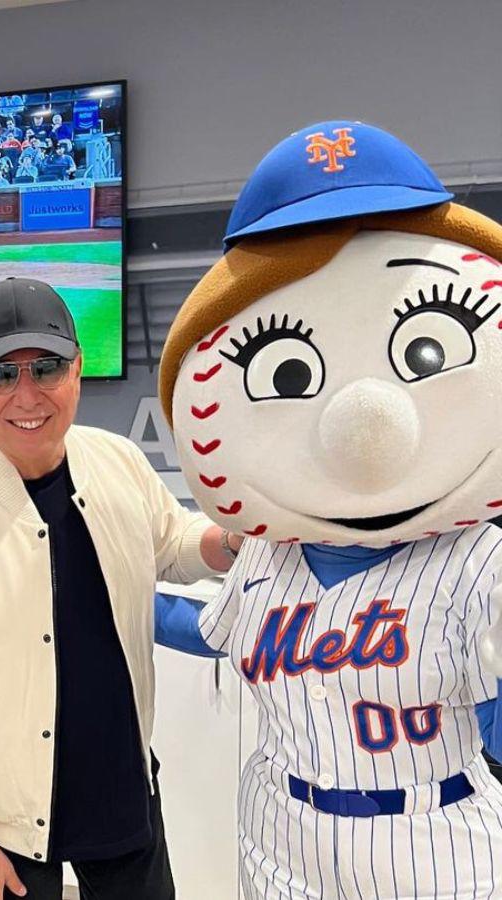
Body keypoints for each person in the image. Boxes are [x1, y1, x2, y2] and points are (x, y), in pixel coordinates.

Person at [160, 119, 502, 899]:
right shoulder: (269, 550)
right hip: (280, 834)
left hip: (435, 838)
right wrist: (99, 584)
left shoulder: (480, 559)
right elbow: (207, 630)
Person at [0, 278, 242, 900]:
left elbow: (170, 543)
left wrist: (229, 541)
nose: (27, 395)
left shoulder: (116, 459)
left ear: (77, 371)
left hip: (123, 786)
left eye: (46, 368)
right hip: (7, 828)